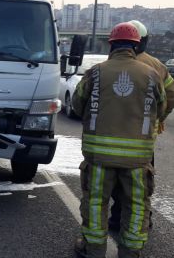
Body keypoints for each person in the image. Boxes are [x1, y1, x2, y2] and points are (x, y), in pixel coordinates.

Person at [72, 22, 166, 258]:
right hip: (136, 161)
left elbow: (76, 104)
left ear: (111, 44)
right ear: (136, 46)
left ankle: (93, 249)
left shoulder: (96, 72)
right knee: (136, 206)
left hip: (99, 156)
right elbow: (162, 107)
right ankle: (130, 252)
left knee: (95, 203)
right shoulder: (152, 74)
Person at [107, 20, 174, 230]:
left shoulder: (109, 64)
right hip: (143, 140)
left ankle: (117, 218)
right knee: (140, 186)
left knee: (112, 183)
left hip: (110, 136)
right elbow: (169, 95)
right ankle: (141, 223)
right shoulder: (156, 66)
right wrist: (158, 118)